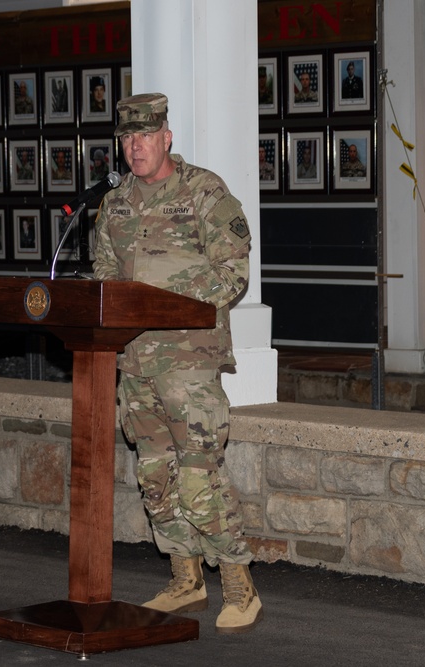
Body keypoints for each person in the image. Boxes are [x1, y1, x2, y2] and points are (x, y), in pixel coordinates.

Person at [92, 93, 260, 634]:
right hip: (136, 360)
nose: (135, 147)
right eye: (126, 138)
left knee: (198, 479)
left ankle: (240, 585)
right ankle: (186, 580)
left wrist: (170, 299)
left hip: (188, 361)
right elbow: (103, 273)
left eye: (145, 136)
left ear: (167, 136)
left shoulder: (204, 192)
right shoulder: (114, 205)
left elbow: (233, 271)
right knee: (155, 477)